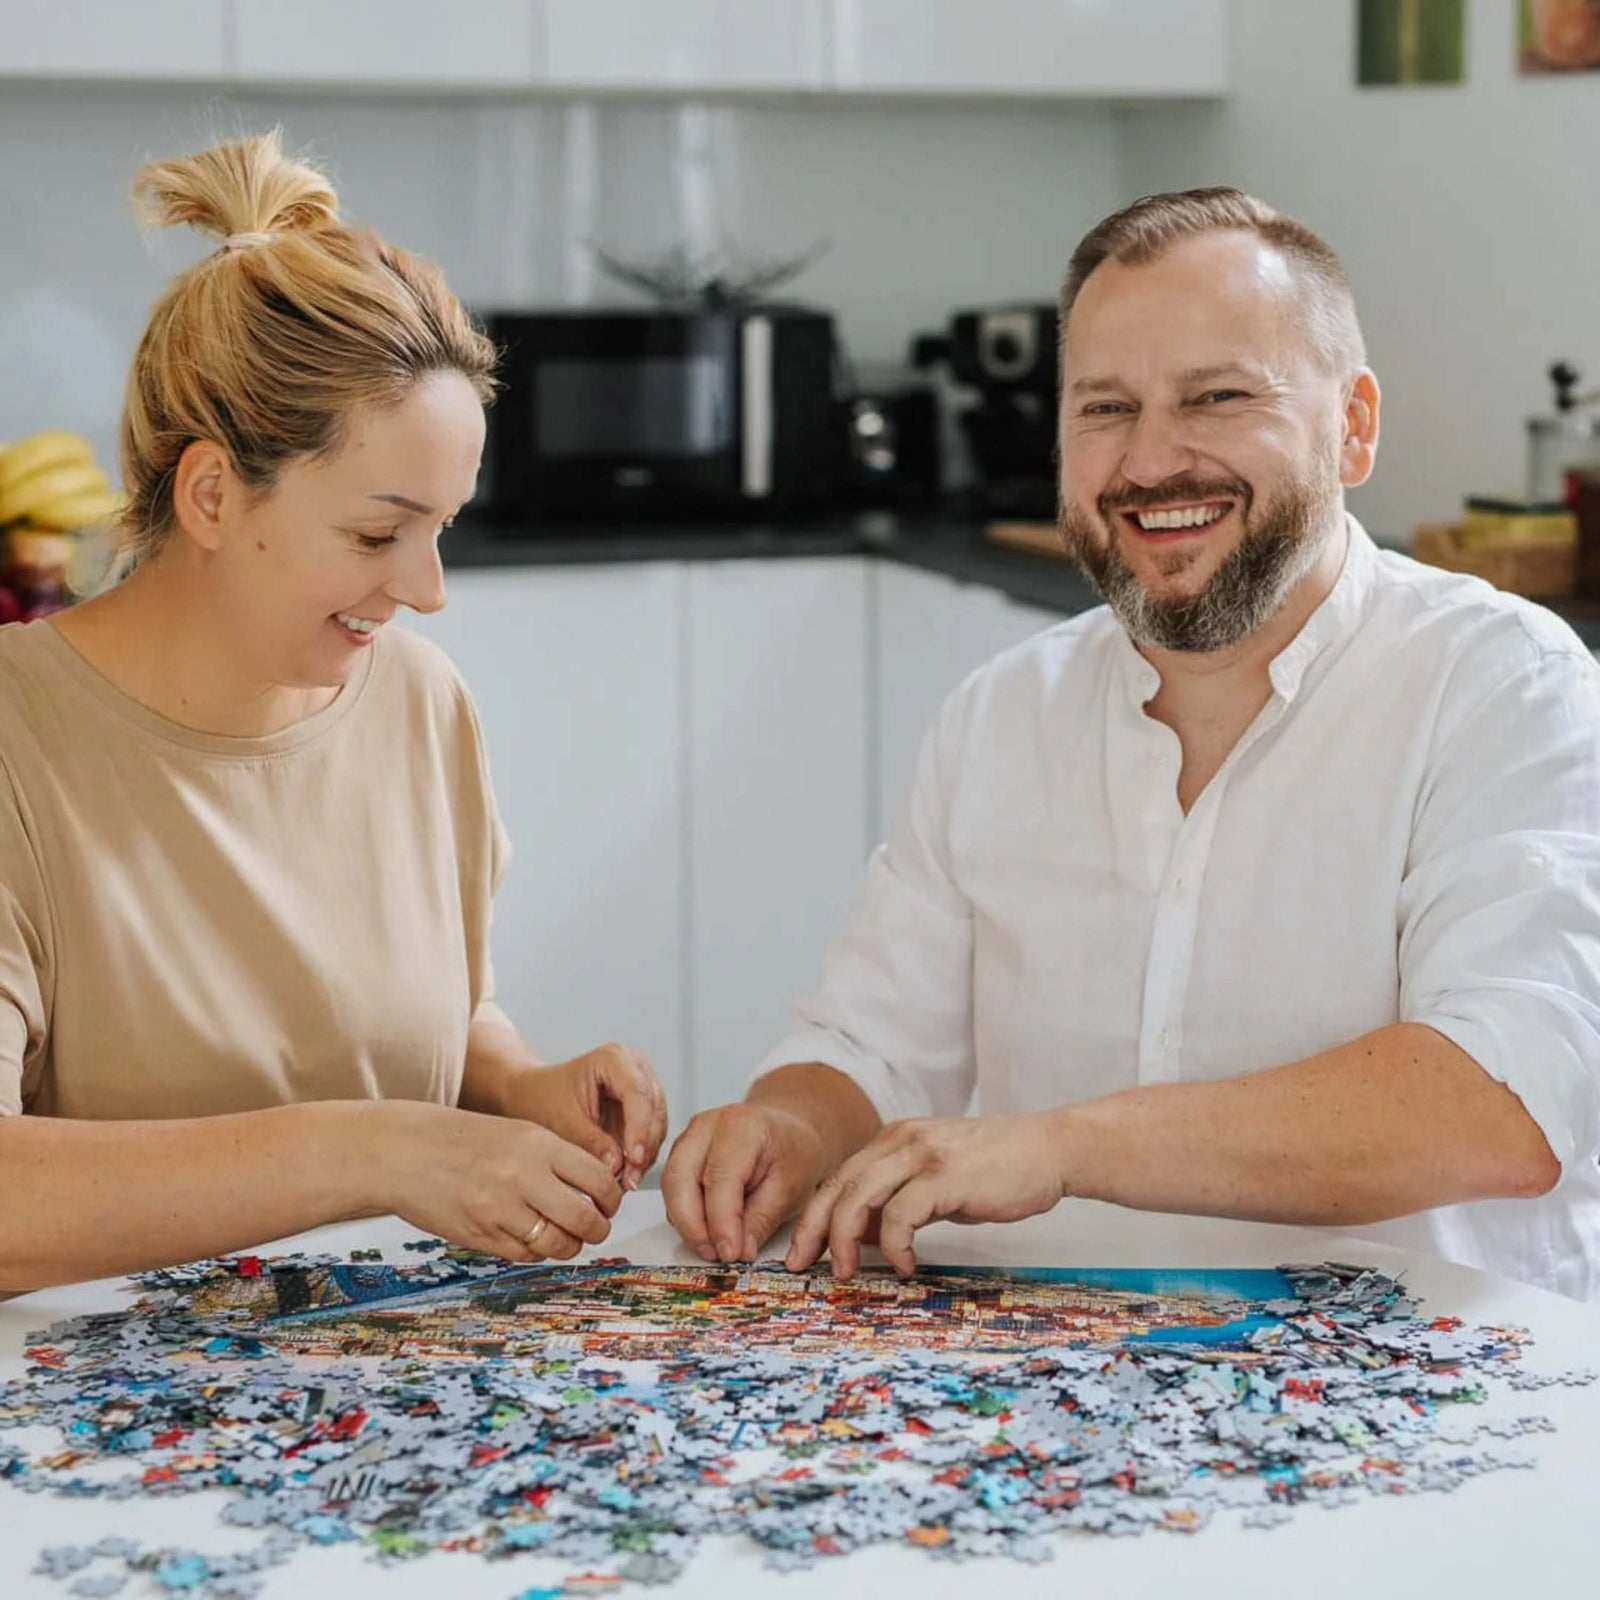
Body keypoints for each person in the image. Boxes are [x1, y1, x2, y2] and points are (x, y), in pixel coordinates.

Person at [664, 187, 1600, 1303]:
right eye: (1104, 408)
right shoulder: (1000, 713)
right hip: (1065, 1393)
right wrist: (784, 1127)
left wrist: (1059, 1147)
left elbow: (1503, 1099)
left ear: (1351, 425)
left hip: (1441, 1406)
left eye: (1216, 396)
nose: (1152, 461)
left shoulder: (1507, 685)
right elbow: (866, 1047)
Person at [0, 132, 667, 1293]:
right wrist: (373, 1147)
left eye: (442, 529)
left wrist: (519, 1087)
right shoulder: (20, 739)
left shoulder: (417, 702)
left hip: (387, 1400)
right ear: (211, 493)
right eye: (377, 534)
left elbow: (438, 1019)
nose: (427, 589)